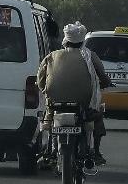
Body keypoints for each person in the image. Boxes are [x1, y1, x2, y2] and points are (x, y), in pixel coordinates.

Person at [37, 22, 113, 165]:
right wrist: (105, 83)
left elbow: (41, 80)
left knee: (48, 118)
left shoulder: (52, 56)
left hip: (55, 103)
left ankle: (48, 151)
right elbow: (103, 77)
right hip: (83, 102)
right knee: (97, 117)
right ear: (82, 41)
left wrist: (45, 90)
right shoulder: (90, 56)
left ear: (65, 40)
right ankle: (95, 152)